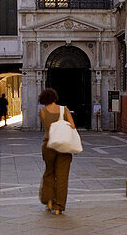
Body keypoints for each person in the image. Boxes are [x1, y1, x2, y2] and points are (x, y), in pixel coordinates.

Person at [38, 87, 76, 215]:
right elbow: (73, 126)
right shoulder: (64, 109)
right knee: (62, 176)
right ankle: (59, 206)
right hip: (64, 146)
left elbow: (47, 127)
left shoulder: (42, 111)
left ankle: (49, 200)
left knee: (49, 172)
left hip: (49, 145)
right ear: (55, 97)